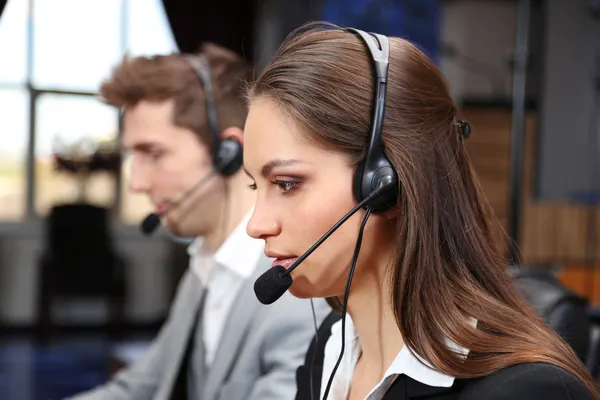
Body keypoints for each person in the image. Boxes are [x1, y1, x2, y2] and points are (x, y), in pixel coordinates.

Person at [242, 22, 600, 400]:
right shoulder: (329, 355)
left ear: (385, 185)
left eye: (286, 183)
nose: (255, 225)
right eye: (254, 186)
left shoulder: (526, 392)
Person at [68, 43, 330, 400]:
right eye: (134, 156)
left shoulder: (298, 289)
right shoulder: (205, 263)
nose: (137, 182)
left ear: (229, 152)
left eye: (154, 154)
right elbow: (140, 388)